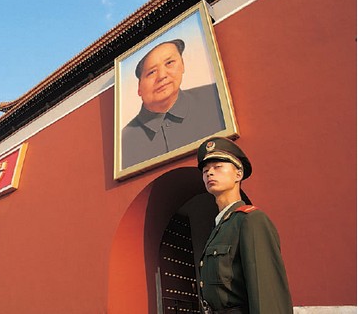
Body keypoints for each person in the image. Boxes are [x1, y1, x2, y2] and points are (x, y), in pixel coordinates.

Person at [196, 136, 293, 313]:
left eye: (218, 167)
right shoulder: (220, 227)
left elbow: (266, 293)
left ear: (238, 174)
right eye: (205, 170)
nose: (209, 173)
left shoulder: (250, 220)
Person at [121, 39, 225, 169]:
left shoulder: (215, 98)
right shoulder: (124, 142)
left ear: (182, 65)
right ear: (139, 88)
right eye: (151, 72)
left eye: (169, 63)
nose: (162, 76)